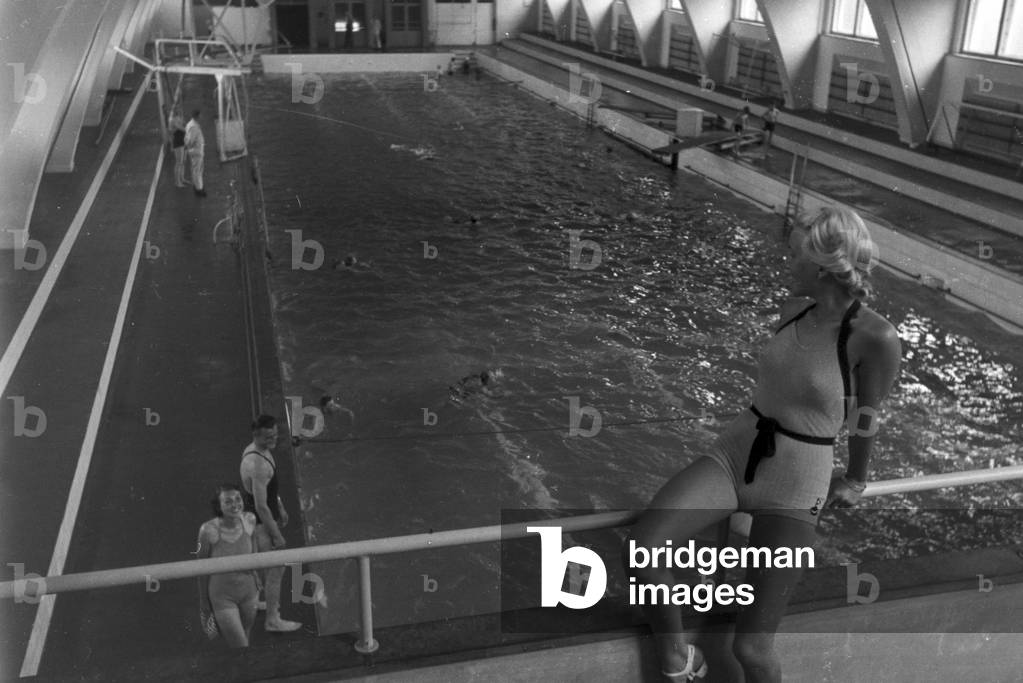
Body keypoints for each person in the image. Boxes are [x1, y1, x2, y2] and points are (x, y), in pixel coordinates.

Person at [624, 206, 902, 682]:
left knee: (752, 648)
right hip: (738, 450)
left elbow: (865, 416)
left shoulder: (875, 337)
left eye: (794, 253)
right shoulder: (793, 308)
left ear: (821, 266)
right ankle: (677, 658)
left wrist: (856, 479)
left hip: (798, 481)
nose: (785, 262)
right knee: (644, 547)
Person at [241, 415, 302, 632]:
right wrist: (276, 534)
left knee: (257, 566)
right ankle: (272, 621)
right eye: (268, 437)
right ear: (256, 435)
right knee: (276, 572)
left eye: (275, 435)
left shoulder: (255, 450)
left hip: (254, 521)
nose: (273, 439)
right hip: (261, 523)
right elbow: (261, 505)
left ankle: (254, 601)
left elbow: (268, 493)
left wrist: (281, 506)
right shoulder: (258, 464)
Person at [197, 484, 260, 647]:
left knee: (246, 638)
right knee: (240, 645)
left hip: (249, 592)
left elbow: (254, 553)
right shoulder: (208, 530)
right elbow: (201, 569)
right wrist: (204, 602)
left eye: (238, 499)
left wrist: (256, 576)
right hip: (222, 596)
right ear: (219, 506)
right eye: (228, 501)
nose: (235, 505)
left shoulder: (250, 520)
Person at [184, 109, 206, 197]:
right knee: (197, 170)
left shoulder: (191, 124)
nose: (202, 117)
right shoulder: (193, 127)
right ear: (197, 116)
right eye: (200, 115)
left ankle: (197, 186)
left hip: (196, 150)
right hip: (196, 151)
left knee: (196, 169)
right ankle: (199, 189)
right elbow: (190, 140)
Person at [168, 109, 187, 187]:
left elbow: (183, 126)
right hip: (178, 143)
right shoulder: (173, 120)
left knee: (183, 162)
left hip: (183, 141)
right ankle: (177, 182)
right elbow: (181, 128)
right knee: (179, 162)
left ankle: (182, 179)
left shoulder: (179, 118)